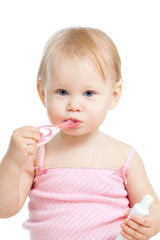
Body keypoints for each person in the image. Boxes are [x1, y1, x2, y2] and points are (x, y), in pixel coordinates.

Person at [0, 27, 160, 240]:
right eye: (62, 92)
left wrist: (152, 222)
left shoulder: (124, 156)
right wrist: (11, 162)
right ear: (42, 93)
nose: (74, 105)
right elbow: (5, 210)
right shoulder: (36, 153)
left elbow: (152, 204)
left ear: (113, 95)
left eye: (88, 93)